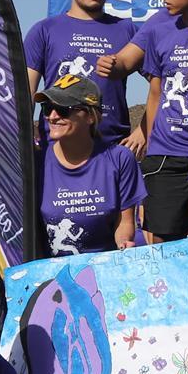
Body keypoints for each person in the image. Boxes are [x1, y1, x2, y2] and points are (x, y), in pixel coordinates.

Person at [98, 0, 188, 242]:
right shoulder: (158, 27)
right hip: (166, 156)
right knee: (165, 246)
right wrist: (112, 65)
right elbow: (155, 90)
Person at [25, 0, 143, 152]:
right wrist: (26, 133)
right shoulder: (44, 30)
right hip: (57, 147)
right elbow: (26, 91)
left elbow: (161, 82)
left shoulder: (127, 29)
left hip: (113, 145)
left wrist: (144, 129)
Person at [38, 77, 146, 257]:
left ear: (90, 116)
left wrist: (123, 245)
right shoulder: (37, 162)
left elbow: (125, 222)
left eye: (64, 109)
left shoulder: (120, 159)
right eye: (47, 108)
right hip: (50, 272)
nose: (53, 116)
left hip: (104, 268)